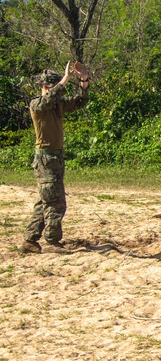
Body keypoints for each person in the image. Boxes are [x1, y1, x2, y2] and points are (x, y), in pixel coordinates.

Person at [20, 61, 90, 255]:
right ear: (44, 87)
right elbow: (50, 98)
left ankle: (30, 240)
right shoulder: (37, 105)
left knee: (46, 200)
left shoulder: (56, 105)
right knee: (55, 202)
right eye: (51, 86)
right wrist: (66, 79)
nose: (54, 90)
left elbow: (80, 101)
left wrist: (83, 80)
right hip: (46, 158)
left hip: (55, 158)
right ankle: (52, 241)